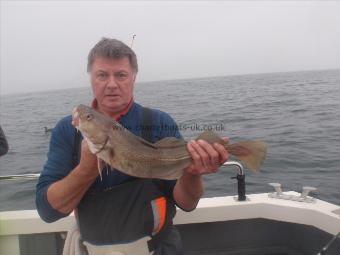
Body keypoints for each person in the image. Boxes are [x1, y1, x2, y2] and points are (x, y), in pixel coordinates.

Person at [36, 38, 229, 255]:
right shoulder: (66, 130)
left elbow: (186, 203)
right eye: (102, 75)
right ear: (90, 76)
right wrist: (86, 169)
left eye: (120, 75)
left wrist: (192, 175)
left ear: (133, 78)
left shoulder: (159, 122)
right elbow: (47, 211)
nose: (111, 84)